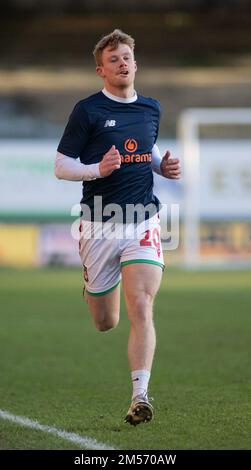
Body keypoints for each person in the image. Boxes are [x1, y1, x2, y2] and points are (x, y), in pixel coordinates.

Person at [55, 29, 181, 426]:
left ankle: (140, 395)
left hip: (143, 220)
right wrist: (97, 169)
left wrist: (164, 166)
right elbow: (61, 165)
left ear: (136, 64)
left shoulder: (151, 108)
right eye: (114, 59)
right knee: (105, 321)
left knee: (141, 305)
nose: (122, 63)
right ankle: (93, 286)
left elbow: (150, 148)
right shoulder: (88, 111)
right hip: (97, 225)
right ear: (100, 69)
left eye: (127, 57)